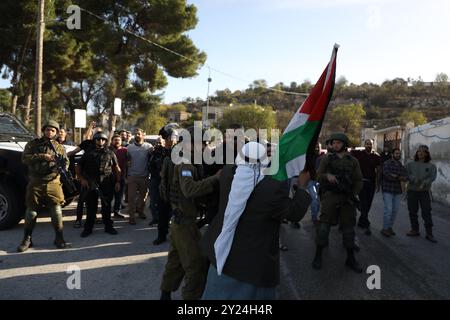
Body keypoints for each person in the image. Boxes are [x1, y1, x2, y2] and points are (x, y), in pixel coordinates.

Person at [200, 142, 312, 299]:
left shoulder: (227, 174)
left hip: (221, 256)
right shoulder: (271, 188)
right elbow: (294, 213)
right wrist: (302, 187)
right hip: (251, 267)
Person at [159, 127, 220, 300]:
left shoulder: (189, 161)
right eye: (203, 143)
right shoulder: (185, 164)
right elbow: (189, 190)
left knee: (175, 261)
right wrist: (216, 178)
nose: (205, 147)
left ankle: (165, 294)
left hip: (181, 221)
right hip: (184, 223)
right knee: (196, 266)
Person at [313, 133, 364, 273]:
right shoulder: (326, 159)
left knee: (348, 229)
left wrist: (353, 193)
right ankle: (318, 255)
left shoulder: (353, 161)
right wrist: (326, 176)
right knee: (324, 227)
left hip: (347, 198)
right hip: (330, 196)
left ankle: (350, 258)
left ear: (344, 144)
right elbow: (318, 175)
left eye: (338, 143)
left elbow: (359, 180)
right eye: (333, 143)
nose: (335, 145)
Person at [17, 120, 69, 252]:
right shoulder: (33, 144)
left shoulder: (59, 147)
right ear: (44, 130)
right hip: (36, 181)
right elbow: (24, 158)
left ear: (56, 133)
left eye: (53, 130)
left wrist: (61, 168)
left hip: (53, 182)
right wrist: (42, 156)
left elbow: (66, 162)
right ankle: (27, 239)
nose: (50, 132)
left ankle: (59, 237)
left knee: (56, 211)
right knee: (31, 212)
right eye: (47, 130)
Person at [77, 132, 121, 237]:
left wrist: (118, 181)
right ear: (94, 140)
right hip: (91, 182)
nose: (100, 141)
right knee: (91, 207)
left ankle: (108, 227)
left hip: (107, 182)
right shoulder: (88, 153)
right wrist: (82, 179)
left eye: (103, 140)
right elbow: (78, 166)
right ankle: (88, 228)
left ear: (105, 141)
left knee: (106, 205)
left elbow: (117, 168)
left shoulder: (110, 153)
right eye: (98, 139)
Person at [151, 124, 178, 245]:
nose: (170, 140)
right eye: (167, 138)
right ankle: (161, 235)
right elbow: (151, 167)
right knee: (162, 213)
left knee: (177, 213)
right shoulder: (158, 151)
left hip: (176, 187)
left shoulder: (180, 152)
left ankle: (178, 236)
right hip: (162, 186)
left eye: (172, 138)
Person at [405, 145, 438, 242]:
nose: (420, 153)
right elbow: (405, 173)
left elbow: (432, 177)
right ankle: (415, 230)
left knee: (426, 212)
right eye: (419, 151)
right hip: (412, 191)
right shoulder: (410, 164)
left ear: (427, 154)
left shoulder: (431, 166)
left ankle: (429, 233)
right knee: (412, 211)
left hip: (424, 193)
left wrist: (424, 183)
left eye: (423, 151)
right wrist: (413, 179)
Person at [351, 139, 381, 236]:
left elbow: (379, 171)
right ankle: (366, 222)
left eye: (370, 144)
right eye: (367, 144)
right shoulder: (358, 154)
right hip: (361, 182)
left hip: (371, 183)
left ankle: (362, 220)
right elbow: (349, 154)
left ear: (373, 145)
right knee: (363, 202)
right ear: (364, 145)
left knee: (368, 203)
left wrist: (377, 183)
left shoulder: (376, 156)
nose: (369, 145)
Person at [380, 148, 408, 237]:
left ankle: (389, 227)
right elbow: (388, 175)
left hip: (397, 191)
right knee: (388, 210)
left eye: (399, 154)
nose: (398, 155)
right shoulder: (387, 163)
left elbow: (406, 177)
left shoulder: (400, 165)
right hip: (388, 190)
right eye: (396, 153)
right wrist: (399, 177)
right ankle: (385, 229)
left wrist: (396, 176)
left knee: (395, 211)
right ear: (392, 154)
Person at [127, 128, 152, 224]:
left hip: (144, 176)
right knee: (131, 198)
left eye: (138, 134)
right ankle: (131, 217)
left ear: (143, 135)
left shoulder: (149, 146)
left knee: (143, 198)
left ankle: (140, 212)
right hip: (132, 176)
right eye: (135, 134)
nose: (137, 135)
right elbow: (126, 162)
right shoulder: (129, 147)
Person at [110, 134, 127, 219]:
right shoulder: (108, 150)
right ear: (112, 141)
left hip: (121, 177)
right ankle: (106, 213)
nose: (117, 141)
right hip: (109, 177)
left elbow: (128, 163)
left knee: (119, 196)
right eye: (115, 140)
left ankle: (117, 211)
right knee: (108, 196)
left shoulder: (125, 150)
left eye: (118, 140)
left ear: (121, 141)